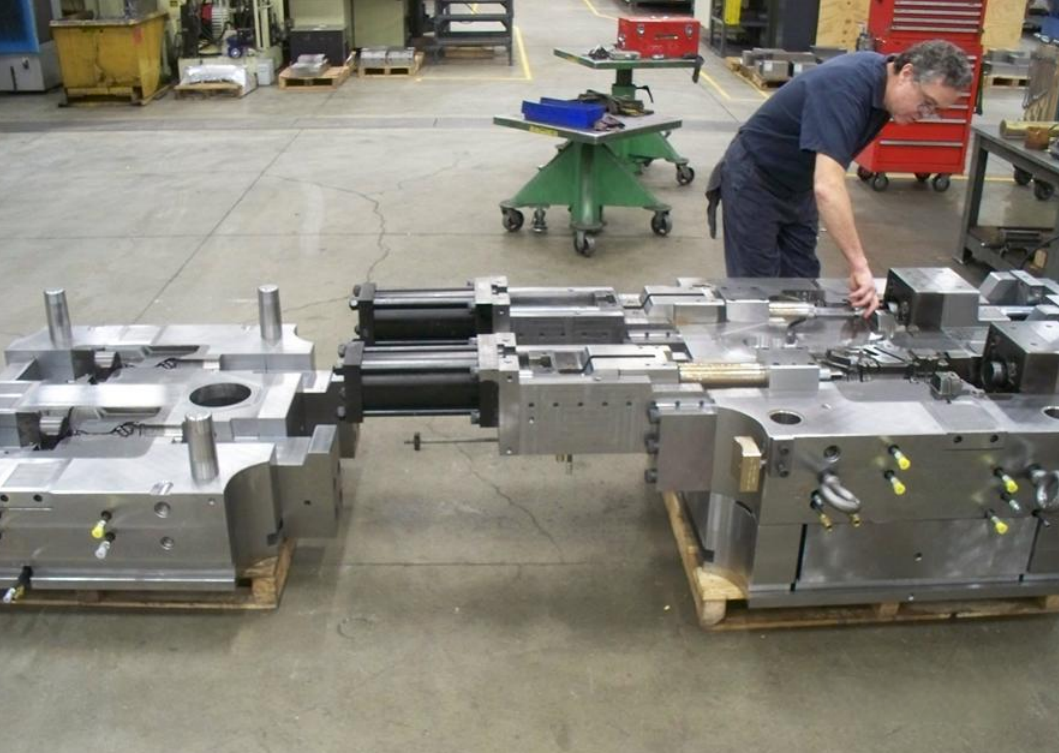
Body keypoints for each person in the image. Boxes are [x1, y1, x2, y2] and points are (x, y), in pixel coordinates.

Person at [706, 40, 973, 317]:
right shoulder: (844, 88)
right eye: (927, 103)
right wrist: (859, 264)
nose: (925, 114)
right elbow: (828, 186)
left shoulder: (885, 87)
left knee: (802, 285)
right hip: (755, 179)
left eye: (935, 110)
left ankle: (798, 352)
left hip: (798, 186)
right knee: (757, 292)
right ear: (906, 73)